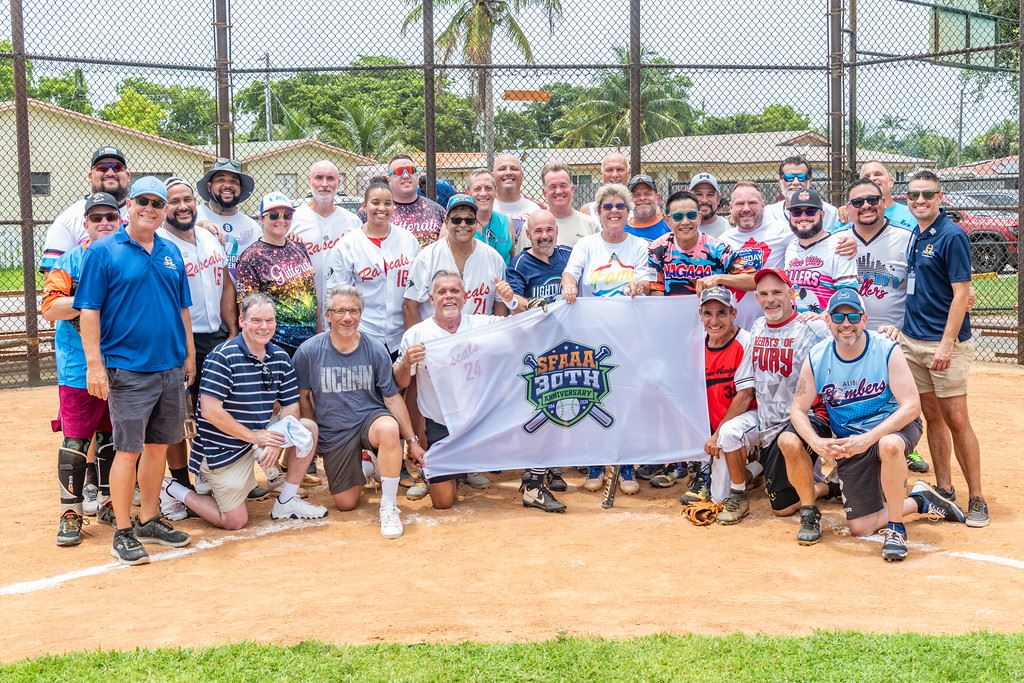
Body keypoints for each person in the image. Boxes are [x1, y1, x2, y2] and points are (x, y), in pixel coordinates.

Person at [789, 289, 965, 560]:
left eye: (853, 316)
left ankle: (896, 528)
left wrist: (868, 438)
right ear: (827, 320)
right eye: (838, 316)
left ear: (864, 319)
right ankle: (920, 500)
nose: (845, 323)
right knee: (861, 527)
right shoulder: (817, 356)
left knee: (889, 445)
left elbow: (911, 406)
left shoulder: (885, 348)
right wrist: (816, 442)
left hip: (893, 427)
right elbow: (798, 409)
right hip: (851, 442)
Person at [75, 176, 194, 566]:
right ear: (129, 206)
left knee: (158, 447)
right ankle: (123, 531)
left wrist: (189, 355)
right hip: (128, 369)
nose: (150, 209)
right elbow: (89, 311)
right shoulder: (103, 251)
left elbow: (182, 309)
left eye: (157, 203)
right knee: (128, 451)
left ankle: (149, 519)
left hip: (169, 367)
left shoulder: (171, 251)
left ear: (165, 211)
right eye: (143, 201)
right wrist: (95, 365)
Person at [162, 293, 327, 528]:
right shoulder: (222, 356)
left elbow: (291, 408)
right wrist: (255, 437)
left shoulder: (280, 357)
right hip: (222, 446)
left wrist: (275, 440)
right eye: (256, 320)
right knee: (234, 521)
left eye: (269, 321)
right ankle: (172, 489)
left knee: (307, 428)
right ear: (242, 321)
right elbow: (210, 411)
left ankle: (287, 501)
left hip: (257, 436)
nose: (264, 327)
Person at [293, 286, 425, 538]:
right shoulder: (309, 351)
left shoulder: (374, 349)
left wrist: (412, 441)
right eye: (340, 311)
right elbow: (304, 398)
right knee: (346, 502)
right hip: (335, 430)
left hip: (369, 420)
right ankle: (368, 464)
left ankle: (389, 507)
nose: (347, 317)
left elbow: (392, 397)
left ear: (361, 315)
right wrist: (313, 436)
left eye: (354, 311)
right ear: (327, 315)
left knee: (388, 428)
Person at [722, 268, 842, 531]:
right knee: (782, 508)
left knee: (790, 440)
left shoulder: (812, 328)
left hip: (809, 417)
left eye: (777, 292)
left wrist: (885, 332)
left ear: (791, 294)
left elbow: (849, 338)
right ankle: (828, 486)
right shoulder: (757, 327)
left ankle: (810, 510)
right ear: (756, 298)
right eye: (764, 294)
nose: (770, 299)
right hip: (769, 425)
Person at [900, 169, 988, 527]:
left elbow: (961, 294)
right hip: (912, 340)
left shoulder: (952, 235)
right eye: (914, 195)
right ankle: (945, 489)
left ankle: (977, 497)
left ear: (941, 197)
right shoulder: (916, 234)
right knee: (932, 416)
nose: (920, 200)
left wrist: (947, 345)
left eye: (927, 194)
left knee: (956, 418)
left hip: (942, 343)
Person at [562, 183, 654, 494]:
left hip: (628, 337)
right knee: (593, 397)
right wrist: (569, 285)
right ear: (599, 212)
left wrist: (638, 287)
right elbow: (570, 272)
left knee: (624, 400)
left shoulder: (638, 245)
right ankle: (596, 465)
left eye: (620, 206)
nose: (614, 212)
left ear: (628, 212)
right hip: (592, 336)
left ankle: (625, 468)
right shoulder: (587, 244)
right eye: (607, 207)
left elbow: (645, 280)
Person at [157, 177, 239, 518]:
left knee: (216, 410)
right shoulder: (159, 244)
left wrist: (232, 329)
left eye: (187, 199)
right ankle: (178, 485)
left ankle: (214, 474)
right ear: (163, 207)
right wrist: (187, 349)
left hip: (216, 336)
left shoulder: (209, 236)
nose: (182, 206)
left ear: (196, 201)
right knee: (177, 416)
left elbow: (226, 285)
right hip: (178, 340)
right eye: (173, 201)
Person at [41, 192, 120, 546]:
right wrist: (90, 301)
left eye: (110, 217)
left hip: (120, 363)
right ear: (85, 223)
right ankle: (70, 512)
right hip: (78, 367)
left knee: (112, 436)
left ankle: (108, 501)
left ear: (120, 221)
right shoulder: (70, 261)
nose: (104, 223)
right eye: (96, 218)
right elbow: (50, 308)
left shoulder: (127, 256)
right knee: (76, 438)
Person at [394, 271, 504, 509]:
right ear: (431, 300)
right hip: (440, 424)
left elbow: (524, 325)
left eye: (455, 291)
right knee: (443, 503)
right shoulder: (416, 335)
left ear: (465, 297)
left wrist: (511, 300)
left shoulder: (482, 325)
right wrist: (406, 362)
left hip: (478, 423)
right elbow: (400, 384)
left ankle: (469, 468)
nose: (449, 296)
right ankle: (434, 474)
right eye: (441, 292)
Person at [327, 180, 421, 357]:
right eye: (375, 202)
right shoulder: (348, 244)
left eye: (388, 203)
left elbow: (418, 288)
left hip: (401, 333)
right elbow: (336, 295)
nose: (382, 208)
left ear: (394, 206)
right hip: (364, 332)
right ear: (364, 206)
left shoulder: (408, 239)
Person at [695, 285, 765, 522]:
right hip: (717, 422)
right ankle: (756, 468)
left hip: (750, 417)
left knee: (729, 433)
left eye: (722, 313)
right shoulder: (696, 344)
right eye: (708, 313)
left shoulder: (745, 341)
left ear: (733, 313)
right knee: (718, 497)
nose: (714, 321)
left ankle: (740, 494)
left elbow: (745, 395)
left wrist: (716, 435)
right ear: (700, 315)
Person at [404, 194, 508, 327]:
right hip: (439, 336)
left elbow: (500, 305)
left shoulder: (493, 258)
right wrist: (419, 338)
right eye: (456, 220)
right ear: (446, 222)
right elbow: (410, 306)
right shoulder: (427, 257)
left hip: (478, 336)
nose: (463, 225)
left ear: (476, 223)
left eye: (469, 220)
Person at [236, 192, 319, 355]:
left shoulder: (298, 246)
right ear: (261, 218)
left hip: (310, 340)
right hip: (277, 343)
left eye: (287, 215)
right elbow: (247, 307)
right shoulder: (251, 257)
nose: (281, 220)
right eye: (274, 215)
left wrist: (319, 330)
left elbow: (312, 292)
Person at [40, 146, 130, 272]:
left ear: (128, 175)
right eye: (102, 168)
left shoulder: (144, 215)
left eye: (117, 167)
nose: (110, 173)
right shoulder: (69, 219)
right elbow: (52, 273)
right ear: (90, 175)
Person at [648, 189, 753, 297]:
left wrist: (719, 278)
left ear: (699, 217)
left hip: (710, 307)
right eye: (678, 217)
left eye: (691, 215)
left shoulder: (717, 248)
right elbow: (656, 293)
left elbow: (753, 279)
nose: (685, 222)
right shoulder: (658, 249)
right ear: (667, 220)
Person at [289, 160, 362, 315]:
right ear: (309, 181)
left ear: (338, 183)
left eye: (330, 178)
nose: (324, 184)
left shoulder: (352, 221)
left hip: (343, 311)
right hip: (304, 309)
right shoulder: (293, 219)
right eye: (319, 178)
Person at [718, 182, 794, 327]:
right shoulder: (723, 241)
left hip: (776, 325)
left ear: (763, 206)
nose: (746, 208)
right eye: (740, 203)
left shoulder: (783, 231)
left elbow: (813, 239)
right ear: (731, 207)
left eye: (752, 203)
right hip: (737, 328)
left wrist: (843, 240)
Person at [781, 188, 858, 314]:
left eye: (810, 212)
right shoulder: (791, 247)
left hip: (825, 323)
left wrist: (822, 317)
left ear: (822, 214)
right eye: (796, 212)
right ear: (790, 216)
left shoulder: (839, 246)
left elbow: (847, 294)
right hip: (794, 323)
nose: (803, 217)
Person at [358, 155, 445, 248]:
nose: (406, 176)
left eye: (410, 170)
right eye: (399, 172)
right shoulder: (371, 212)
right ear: (389, 179)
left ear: (417, 176)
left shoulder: (437, 210)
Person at [195, 158, 259, 278]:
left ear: (241, 189)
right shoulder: (192, 217)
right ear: (209, 186)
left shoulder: (253, 227)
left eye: (234, 181)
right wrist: (197, 228)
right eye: (221, 180)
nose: (228, 185)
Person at [518, 161, 597, 249]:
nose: (558, 191)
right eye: (552, 187)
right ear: (544, 192)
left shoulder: (591, 225)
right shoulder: (531, 226)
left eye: (563, 185)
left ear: (572, 189)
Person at [763, 155, 840, 232]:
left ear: (810, 182)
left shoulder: (831, 213)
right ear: (780, 183)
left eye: (801, 177)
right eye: (789, 178)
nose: (796, 182)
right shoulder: (768, 214)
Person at [466, 168, 515, 264]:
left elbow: (512, 259)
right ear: (468, 193)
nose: (483, 193)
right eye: (477, 189)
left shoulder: (506, 222)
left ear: (495, 192)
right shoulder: (457, 223)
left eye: (488, 188)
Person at [493, 153, 545, 242]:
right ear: (492, 176)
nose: (508, 172)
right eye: (502, 169)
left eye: (514, 168)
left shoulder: (536, 209)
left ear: (522, 175)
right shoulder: (484, 209)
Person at [855, 161, 917, 230]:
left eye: (878, 174)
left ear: (890, 182)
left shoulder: (912, 214)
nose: (872, 178)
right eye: (867, 176)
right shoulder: (853, 215)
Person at [581, 151, 630, 215]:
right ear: (602, 175)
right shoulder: (589, 211)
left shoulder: (637, 209)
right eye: (609, 170)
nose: (615, 175)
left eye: (620, 169)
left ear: (629, 173)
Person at [625, 174, 669, 242]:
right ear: (629, 200)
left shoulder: (670, 227)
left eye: (647, 194)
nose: (642, 198)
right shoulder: (621, 231)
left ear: (658, 198)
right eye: (637, 195)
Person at [689, 172, 730, 238]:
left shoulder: (730, 229)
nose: (704, 200)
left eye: (710, 194)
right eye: (698, 194)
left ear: (718, 199)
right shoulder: (680, 228)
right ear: (689, 198)